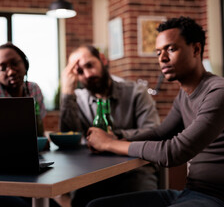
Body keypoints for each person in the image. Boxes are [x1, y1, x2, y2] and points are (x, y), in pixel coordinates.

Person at [87, 16, 224, 207]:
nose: (163, 59)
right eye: (158, 52)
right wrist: (115, 137)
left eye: (171, 49)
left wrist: (110, 144)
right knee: (96, 205)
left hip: (216, 197)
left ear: (196, 49)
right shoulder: (184, 94)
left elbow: (174, 151)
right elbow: (160, 134)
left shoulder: (218, 92)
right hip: (190, 193)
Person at [60, 44, 161, 207]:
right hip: (91, 174)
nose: (87, 74)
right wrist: (66, 92)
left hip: (134, 171)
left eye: (90, 65)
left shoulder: (136, 92)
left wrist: (113, 138)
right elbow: (70, 137)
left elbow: (153, 131)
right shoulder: (76, 100)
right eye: (79, 71)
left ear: (102, 60)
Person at [0, 42, 46, 132]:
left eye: (15, 63)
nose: (11, 72)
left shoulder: (33, 89)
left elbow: (39, 129)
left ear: (25, 65)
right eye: (2, 68)